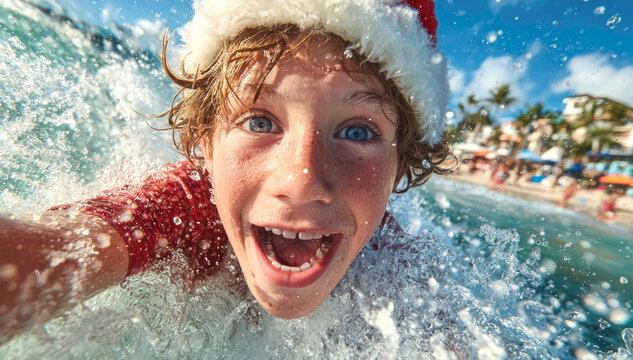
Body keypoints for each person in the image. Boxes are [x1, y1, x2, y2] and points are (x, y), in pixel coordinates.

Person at [0, 0, 454, 342]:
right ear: (205, 144)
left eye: (357, 132)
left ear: (399, 166)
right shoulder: (181, 210)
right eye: (260, 122)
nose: (302, 182)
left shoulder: (395, 261)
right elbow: (54, 249)